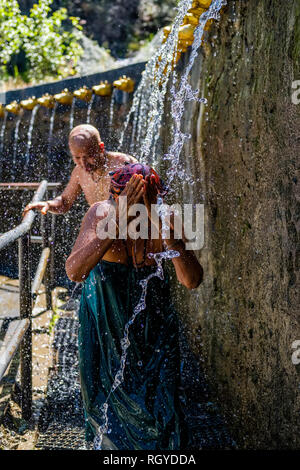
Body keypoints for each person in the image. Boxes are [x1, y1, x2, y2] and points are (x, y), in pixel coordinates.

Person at [66, 163, 203, 450]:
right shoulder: (101, 214)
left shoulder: (166, 219)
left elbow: (191, 280)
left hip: (153, 326)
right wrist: (117, 221)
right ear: (116, 199)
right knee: (104, 396)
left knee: (164, 399)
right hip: (104, 322)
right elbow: (75, 271)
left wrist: (167, 232)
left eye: (148, 207)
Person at [23, 124, 137, 216]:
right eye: (77, 157)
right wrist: (48, 204)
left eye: (89, 156)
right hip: (103, 233)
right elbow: (64, 202)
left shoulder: (124, 165)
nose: (84, 164)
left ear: (101, 148)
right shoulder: (79, 172)